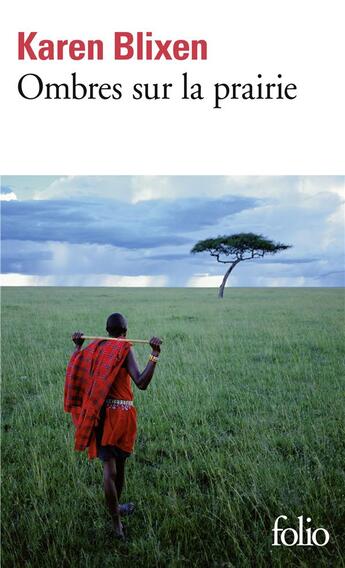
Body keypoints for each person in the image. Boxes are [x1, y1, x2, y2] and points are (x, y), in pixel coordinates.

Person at [65, 312, 162, 539]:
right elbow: (141, 382)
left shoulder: (96, 348)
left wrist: (78, 347)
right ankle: (116, 523)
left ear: (106, 331)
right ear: (125, 332)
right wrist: (154, 356)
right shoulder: (124, 349)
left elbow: (75, 369)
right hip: (120, 417)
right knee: (114, 470)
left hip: (100, 414)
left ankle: (116, 511)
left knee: (114, 469)